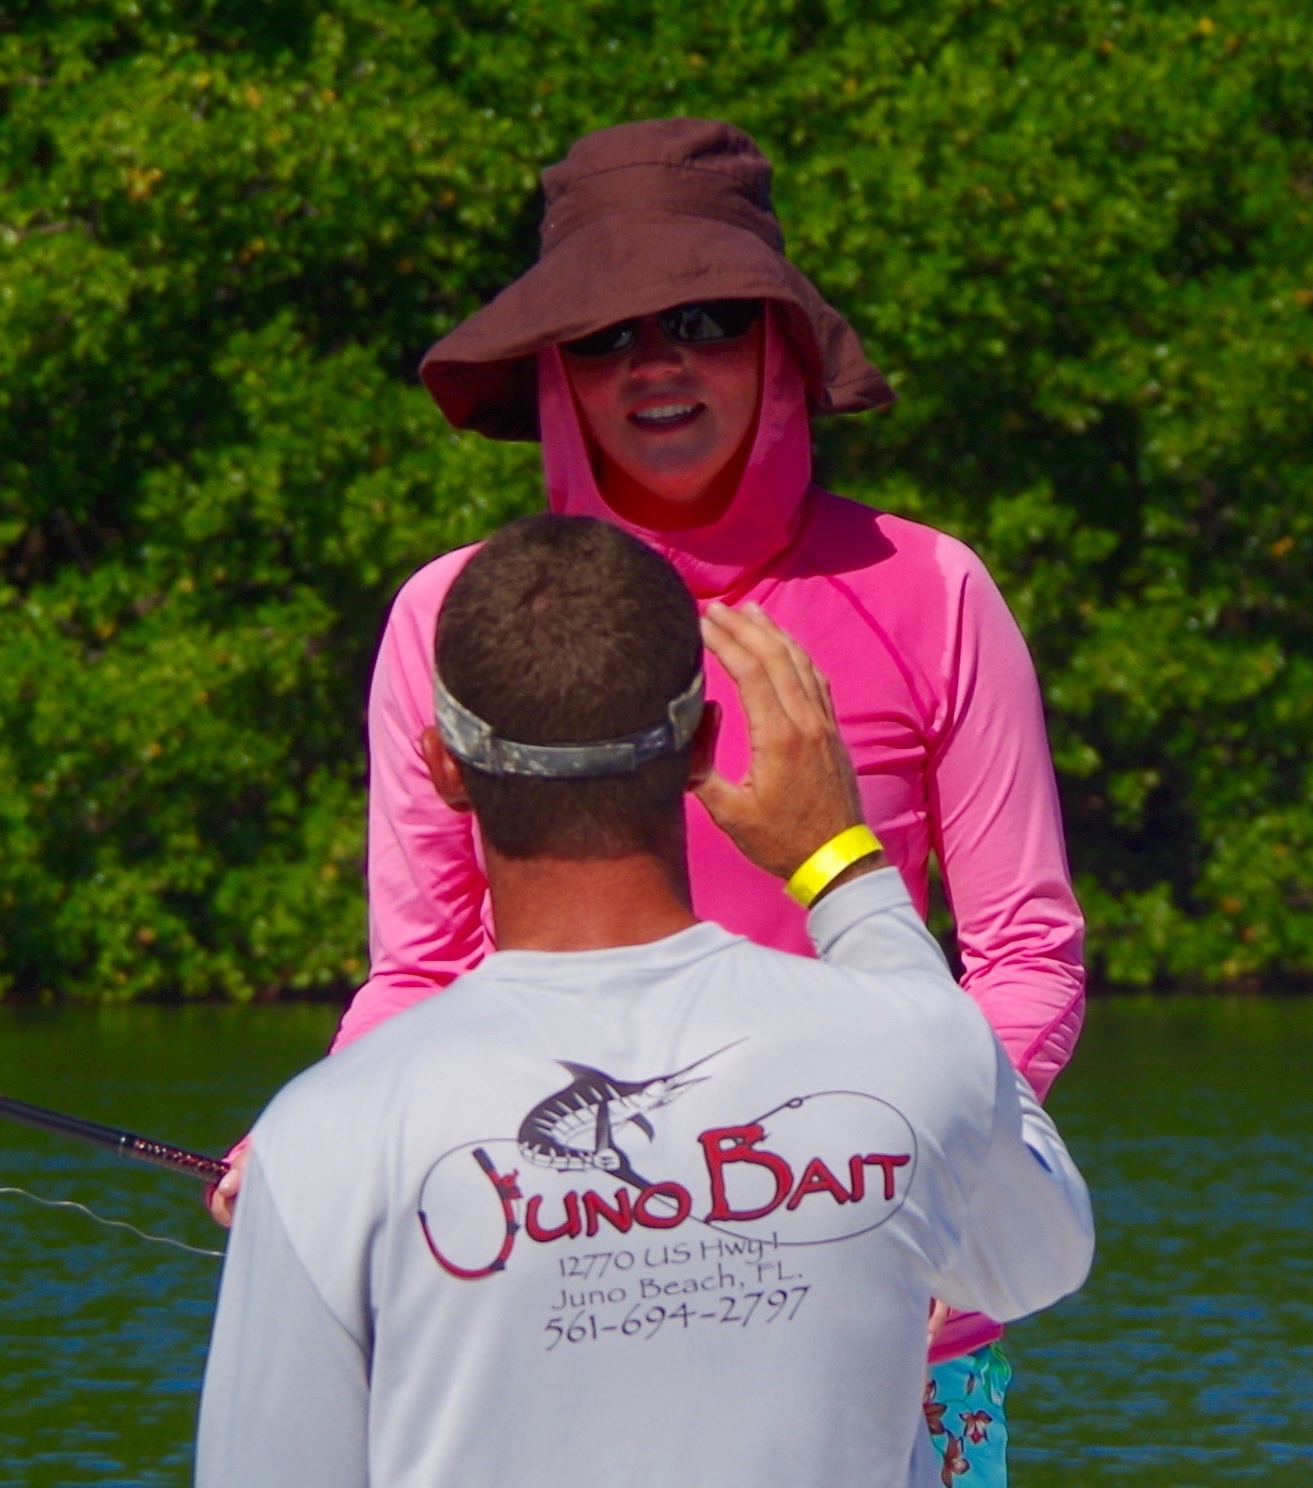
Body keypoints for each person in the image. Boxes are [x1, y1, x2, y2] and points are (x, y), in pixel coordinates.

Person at [210, 117, 1086, 1484]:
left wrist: (929, 1183)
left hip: (901, 1303)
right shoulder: (455, 615)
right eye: (606, 335)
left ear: (778, 349)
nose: (656, 362)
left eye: (704, 321)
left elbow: (1026, 952)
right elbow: (417, 972)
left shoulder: (930, 589)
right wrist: (312, 1141)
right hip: (564, 1275)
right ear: (554, 370)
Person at [196, 515, 1093, 1488]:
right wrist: (843, 872)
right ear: (702, 745)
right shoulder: (911, 1048)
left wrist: (301, 1187)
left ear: (442, 767)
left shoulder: (322, 1138)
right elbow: (1038, 1254)